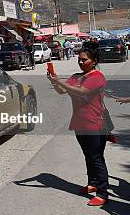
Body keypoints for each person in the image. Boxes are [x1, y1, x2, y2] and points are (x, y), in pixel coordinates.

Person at [47, 43, 110, 206]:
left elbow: (81, 91)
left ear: (94, 61)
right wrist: (54, 81)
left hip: (95, 124)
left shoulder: (97, 77)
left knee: (97, 158)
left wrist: (59, 82)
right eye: (79, 60)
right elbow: (62, 91)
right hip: (79, 123)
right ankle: (93, 183)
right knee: (88, 156)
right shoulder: (75, 76)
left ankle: (103, 193)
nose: (81, 62)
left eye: (84, 60)